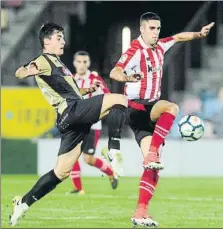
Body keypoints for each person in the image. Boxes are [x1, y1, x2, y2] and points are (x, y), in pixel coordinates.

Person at [10, 22, 140, 226]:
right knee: (119, 99)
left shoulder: (59, 64)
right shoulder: (43, 60)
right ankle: (113, 151)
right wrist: (26, 70)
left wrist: (88, 91)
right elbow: (20, 72)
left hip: (69, 118)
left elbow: (71, 93)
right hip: (72, 112)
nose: (63, 41)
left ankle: (23, 203)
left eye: (63, 37)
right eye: (58, 38)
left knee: (61, 172)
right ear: (47, 41)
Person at [109, 12, 214, 227]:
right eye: (151, 28)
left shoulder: (160, 46)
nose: (156, 32)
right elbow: (115, 72)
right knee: (171, 107)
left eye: (158, 28)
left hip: (148, 112)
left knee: (154, 167)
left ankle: (140, 213)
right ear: (142, 29)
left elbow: (178, 37)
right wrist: (129, 77)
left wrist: (198, 34)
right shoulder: (135, 50)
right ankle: (151, 154)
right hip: (138, 106)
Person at [67, 51, 118, 195]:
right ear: (74, 63)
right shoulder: (71, 80)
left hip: (92, 125)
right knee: (72, 154)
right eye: (79, 62)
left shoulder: (95, 79)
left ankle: (110, 172)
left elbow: (108, 97)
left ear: (88, 64)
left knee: (88, 159)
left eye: (85, 62)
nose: (82, 65)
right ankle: (78, 188)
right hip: (76, 124)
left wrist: (101, 113)